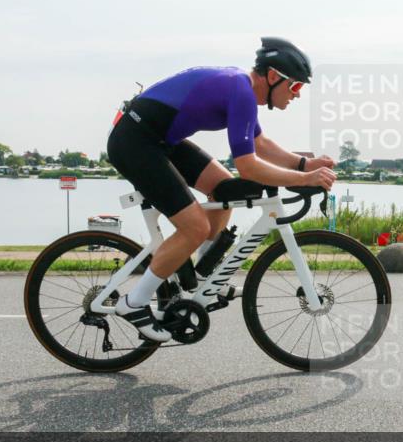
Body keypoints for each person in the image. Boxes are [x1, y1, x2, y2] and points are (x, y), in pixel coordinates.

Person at [106, 37, 336, 342]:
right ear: (272, 77)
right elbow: (249, 166)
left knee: (225, 192)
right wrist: (304, 179)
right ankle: (134, 303)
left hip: (160, 140)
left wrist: (303, 165)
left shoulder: (242, 90)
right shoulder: (240, 90)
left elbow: (260, 144)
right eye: (294, 87)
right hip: (135, 142)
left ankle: (201, 277)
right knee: (195, 227)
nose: (296, 95)